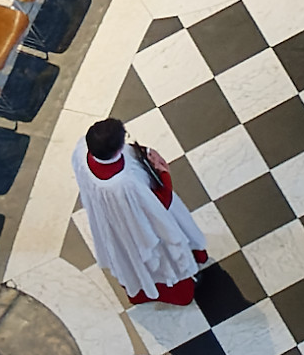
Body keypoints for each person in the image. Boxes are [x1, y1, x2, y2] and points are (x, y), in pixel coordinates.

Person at [71, 121, 215, 313]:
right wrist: (164, 173)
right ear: (117, 148)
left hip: (110, 222)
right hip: (144, 229)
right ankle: (178, 289)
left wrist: (146, 152)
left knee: (128, 256)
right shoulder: (125, 183)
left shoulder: (81, 152)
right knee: (162, 256)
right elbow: (158, 206)